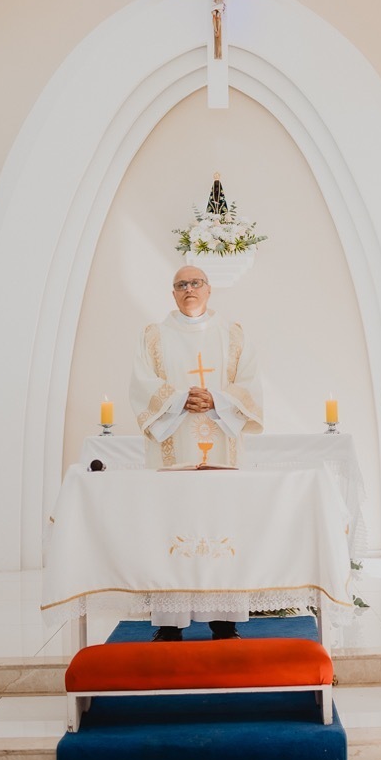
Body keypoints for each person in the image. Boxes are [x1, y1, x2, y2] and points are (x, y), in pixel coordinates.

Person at [130, 264, 263, 641]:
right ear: (172, 293)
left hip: (221, 448)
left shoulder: (233, 336)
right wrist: (178, 400)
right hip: (174, 452)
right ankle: (170, 625)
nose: (189, 289)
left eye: (196, 283)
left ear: (209, 289)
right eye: (181, 284)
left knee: (222, 526)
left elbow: (250, 383)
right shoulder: (154, 337)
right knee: (172, 527)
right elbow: (141, 384)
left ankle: (224, 623)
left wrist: (217, 400)